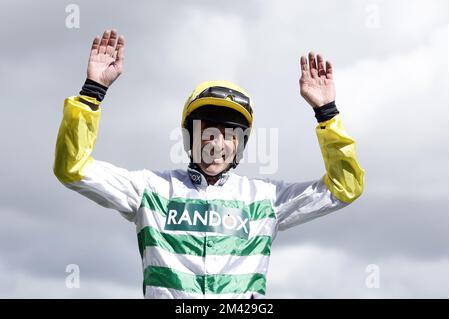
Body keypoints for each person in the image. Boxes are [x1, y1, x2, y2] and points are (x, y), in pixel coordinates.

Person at [53, 29, 364, 299]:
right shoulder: (150, 189)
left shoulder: (265, 198)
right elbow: (73, 168)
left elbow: (345, 187)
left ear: (241, 144)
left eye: (230, 134)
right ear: (189, 138)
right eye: (207, 131)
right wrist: (93, 91)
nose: (217, 142)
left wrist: (327, 112)